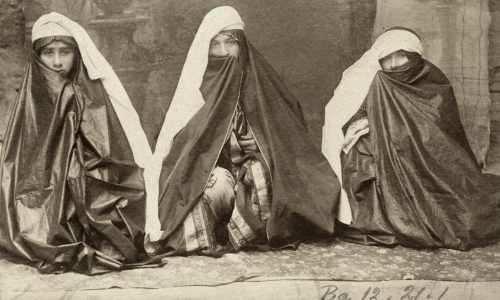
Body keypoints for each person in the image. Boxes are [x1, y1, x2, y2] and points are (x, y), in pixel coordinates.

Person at [152, 6, 341, 256]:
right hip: (217, 176)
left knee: (258, 172)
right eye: (214, 44)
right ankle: (217, 231)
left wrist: (265, 147)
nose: (223, 52)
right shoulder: (195, 92)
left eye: (230, 43)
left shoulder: (266, 87)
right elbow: (182, 153)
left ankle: (248, 231)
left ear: (242, 45)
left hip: (256, 176)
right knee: (215, 184)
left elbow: (294, 149)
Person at [0, 12, 160, 274]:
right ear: (37, 55)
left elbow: (106, 149)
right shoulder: (30, 97)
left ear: (76, 54)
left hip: (87, 183)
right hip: (40, 188)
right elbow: (20, 157)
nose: (57, 61)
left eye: (65, 52)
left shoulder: (89, 95)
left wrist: (74, 166)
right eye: (48, 53)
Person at [323, 27, 500, 250]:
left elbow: (439, 127)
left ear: (414, 57)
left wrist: (406, 130)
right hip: (382, 147)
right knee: (361, 152)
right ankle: (384, 217)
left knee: (459, 206)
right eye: (387, 58)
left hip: (425, 153)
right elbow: (350, 115)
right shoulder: (374, 81)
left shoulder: (432, 79)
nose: (395, 64)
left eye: (401, 56)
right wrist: (372, 122)